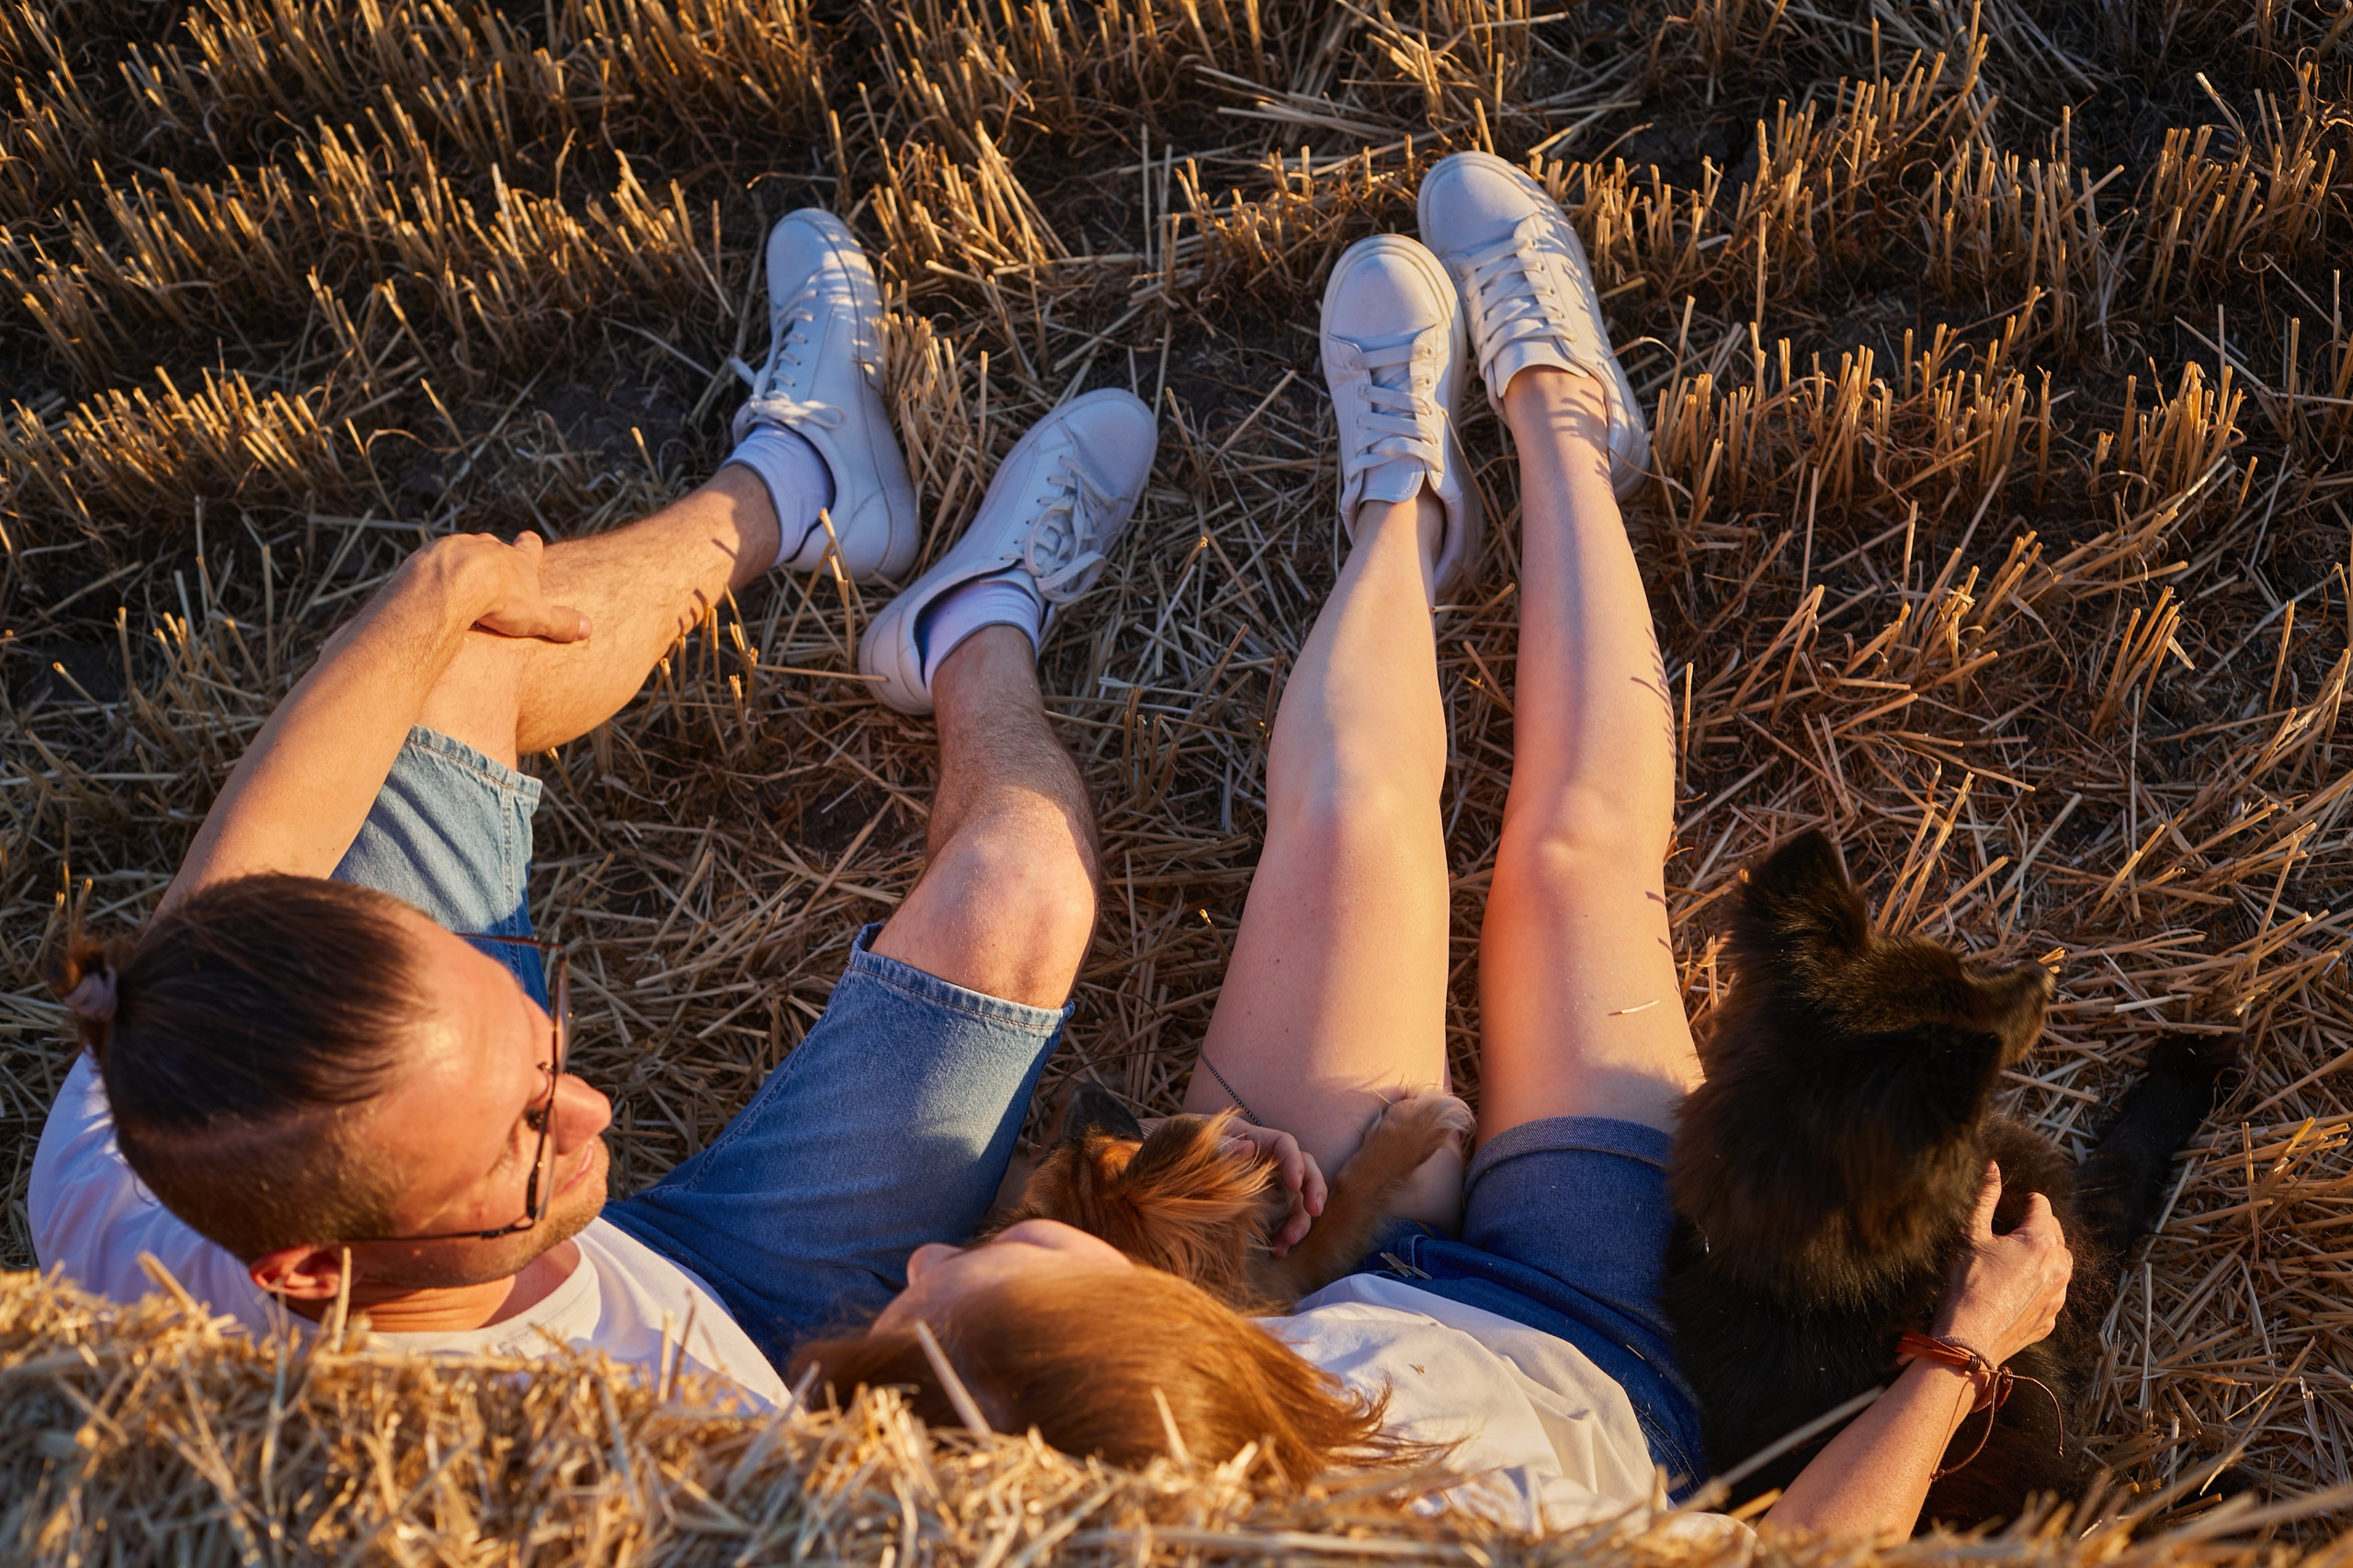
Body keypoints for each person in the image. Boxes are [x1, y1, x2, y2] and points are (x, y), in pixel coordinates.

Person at [793, 154, 2075, 1540]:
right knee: (1573, 860)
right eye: (948, 1287)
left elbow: (1069, 1304)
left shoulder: (1080, 1454)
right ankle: (1562, 413)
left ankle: (1400, 506)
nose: (922, 1251)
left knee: (1354, 820)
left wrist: (1203, 1243)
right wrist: (1968, 1349)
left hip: (1298, 1294)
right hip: (1602, 1343)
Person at [28, 208, 1185, 1404]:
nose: (593, 1103)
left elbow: (236, 886)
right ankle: (976, 622)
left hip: (591, 1264)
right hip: (750, 1320)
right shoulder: (622, 1461)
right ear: (312, 1270)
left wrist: (425, 600)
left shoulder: (127, 1159)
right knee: (1026, 883)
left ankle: (799, 475)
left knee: (465, 645)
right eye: (528, 1130)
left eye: (545, 1042)